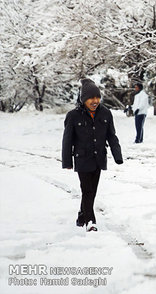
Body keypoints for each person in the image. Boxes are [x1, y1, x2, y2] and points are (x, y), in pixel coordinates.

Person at [62, 79, 123, 232]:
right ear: (83, 99)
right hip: (82, 159)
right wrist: (67, 161)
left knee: (92, 191)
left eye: (97, 97)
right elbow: (67, 140)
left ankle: (82, 215)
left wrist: (117, 155)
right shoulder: (73, 116)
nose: (95, 101)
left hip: (99, 158)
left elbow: (112, 136)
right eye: (91, 98)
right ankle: (91, 221)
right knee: (87, 190)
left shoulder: (106, 113)